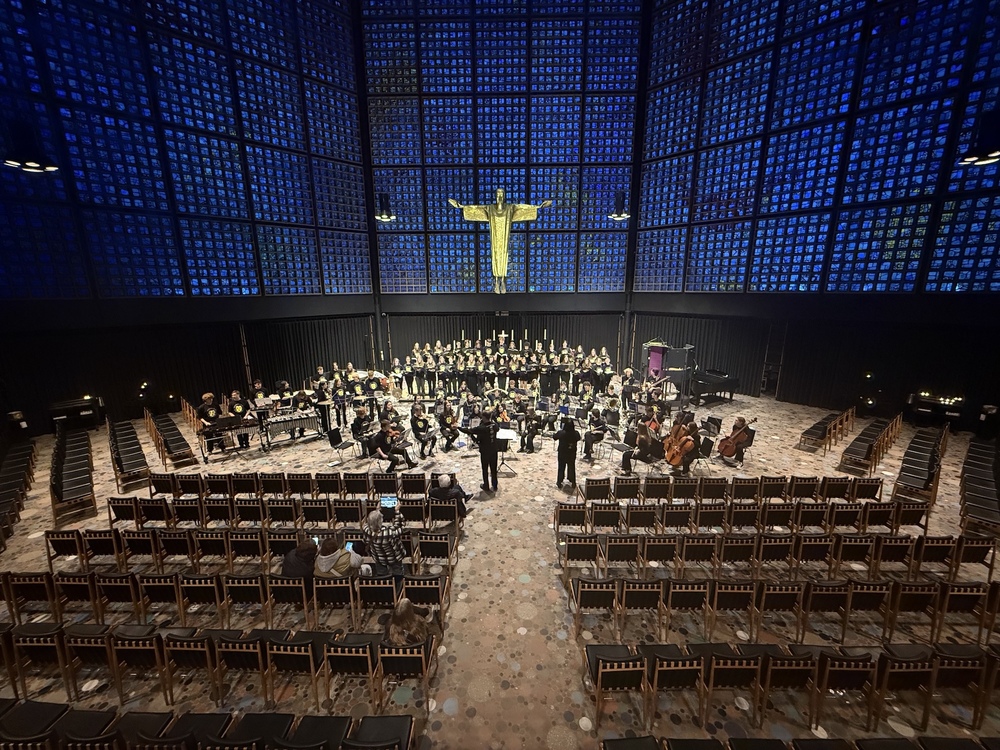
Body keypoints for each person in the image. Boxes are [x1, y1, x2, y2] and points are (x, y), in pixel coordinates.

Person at [447, 188, 553, 294]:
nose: (500, 196)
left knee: (504, 255)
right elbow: (476, 208)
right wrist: (460, 206)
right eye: (498, 194)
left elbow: (523, 208)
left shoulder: (510, 208)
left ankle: (502, 280)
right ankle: (497, 280)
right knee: (495, 255)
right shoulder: (490, 208)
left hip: (504, 236)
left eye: (501, 193)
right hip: (495, 236)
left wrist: (538, 207)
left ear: (504, 195)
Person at [459, 411, 499, 492]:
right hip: (494, 451)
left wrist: (458, 427)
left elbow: (468, 431)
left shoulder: (481, 428)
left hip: (485, 452)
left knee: (485, 469)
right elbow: (497, 429)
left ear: (484, 417)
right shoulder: (495, 425)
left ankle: (486, 486)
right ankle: (495, 485)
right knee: (493, 469)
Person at [363, 509, 407, 580]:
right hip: (393, 557)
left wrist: (377, 509)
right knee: (398, 573)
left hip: (378, 557)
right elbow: (401, 526)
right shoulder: (389, 532)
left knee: (382, 575)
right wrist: (397, 511)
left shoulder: (366, 531)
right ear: (380, 522)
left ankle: (385, 585)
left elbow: (365, 540)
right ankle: (398, 585)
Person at [554, 417, 580, 489]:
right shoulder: (576, 433)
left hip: (562, 453)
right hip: (571, 453)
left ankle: (559, 482)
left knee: (561, 467)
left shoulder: (561, 433)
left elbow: (554, 437)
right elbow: (579, 438)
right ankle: (573, 481)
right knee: (571, 467)